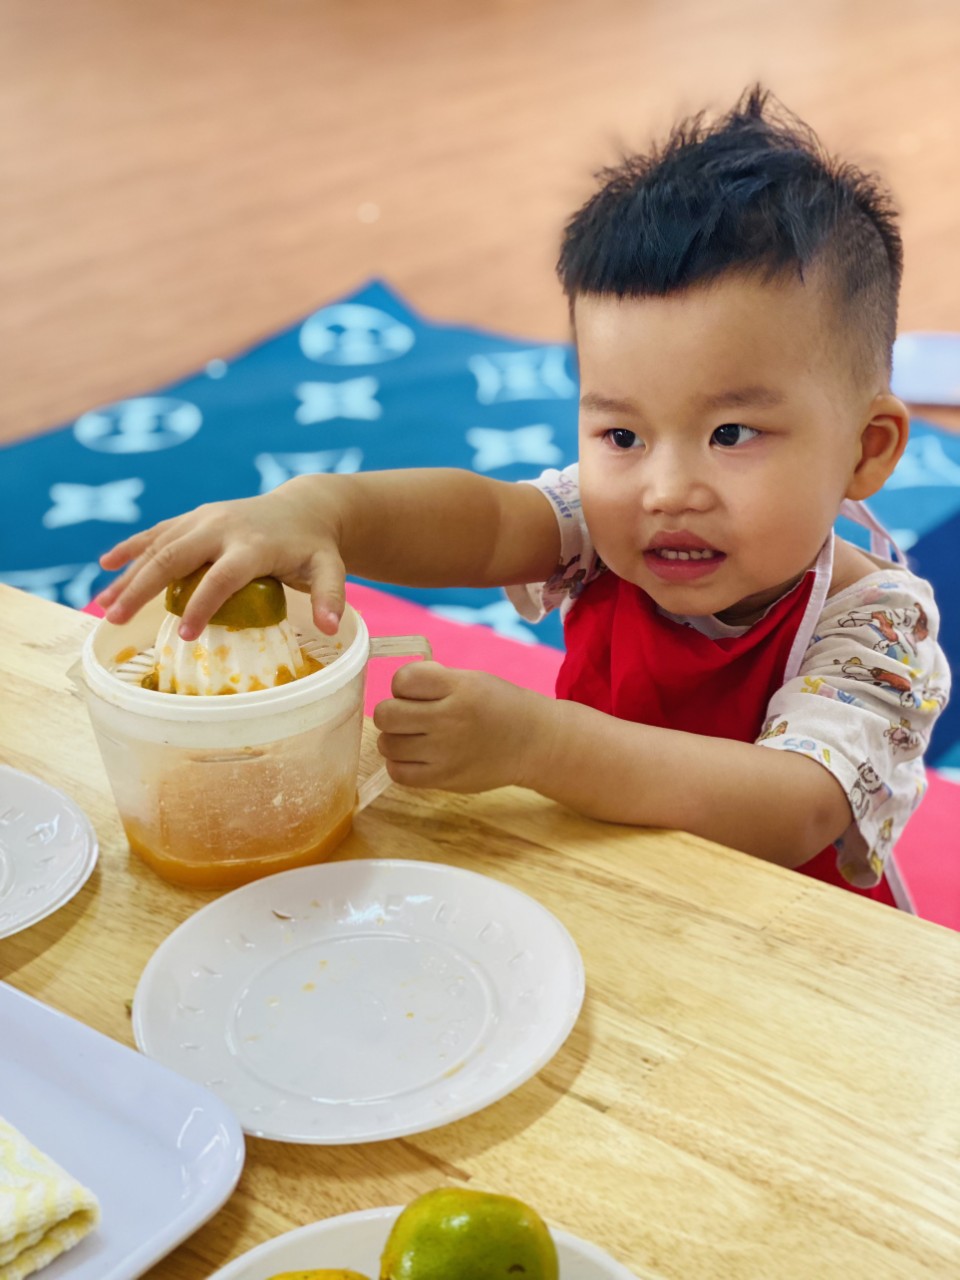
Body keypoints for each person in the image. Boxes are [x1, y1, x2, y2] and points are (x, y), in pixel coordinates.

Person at [96, 86, 950, 902]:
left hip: (776, 943)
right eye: (622, 435)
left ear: (866, 450)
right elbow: (483, 523)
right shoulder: (608, 522)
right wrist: (323, 510)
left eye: (731, 435)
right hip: (596, 877)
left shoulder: (875, 626)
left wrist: (540, 746)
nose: (665, 491)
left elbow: (794, 807)